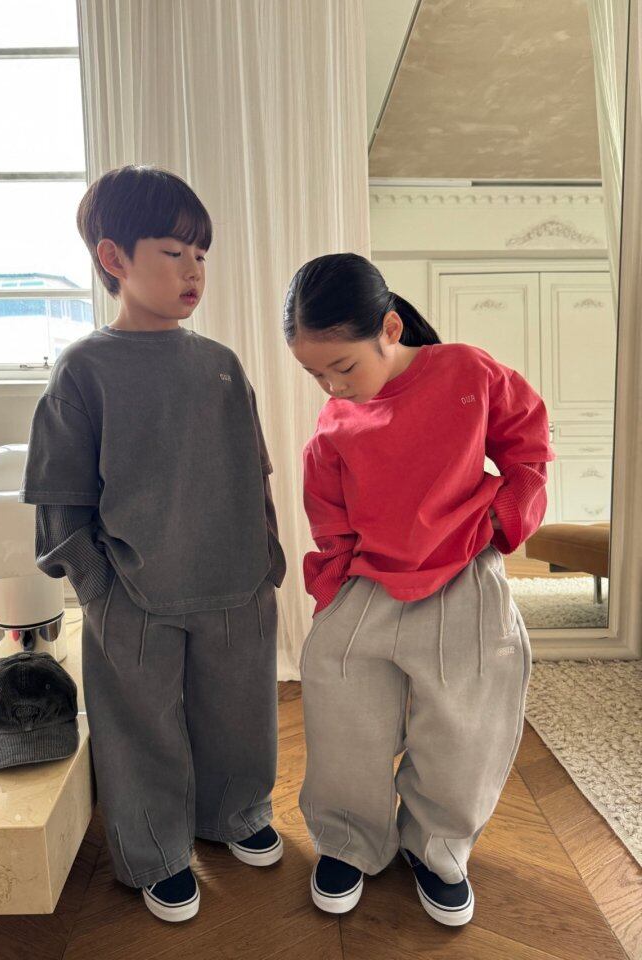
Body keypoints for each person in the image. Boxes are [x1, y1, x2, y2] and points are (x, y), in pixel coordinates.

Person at [20, 165, 286, 923]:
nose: (194, 270)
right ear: (114, 258)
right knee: (140, 730)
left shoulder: (222, 365)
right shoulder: (84, 369)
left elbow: (254, 469)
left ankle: (235, 813)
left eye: (201, 255)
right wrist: (98, 589)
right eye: (174, 252)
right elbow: (60, 499)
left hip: (235, 582)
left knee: (241, 714)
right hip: (133, 592)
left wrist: (267, 557)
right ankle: (155, 850)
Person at [283, 252, 554, 926]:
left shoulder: (466, 371)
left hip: (463, 573)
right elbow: (329, 512)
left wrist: (504, 519)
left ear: (390, 329)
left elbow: (527, 443)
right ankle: (348, 840)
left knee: (468, 723)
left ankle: (436, 847)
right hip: (370, 579)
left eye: (342, 367)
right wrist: (334, 590)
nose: (331, 386)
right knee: (340, 705)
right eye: (315, 374)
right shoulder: (335, 420)